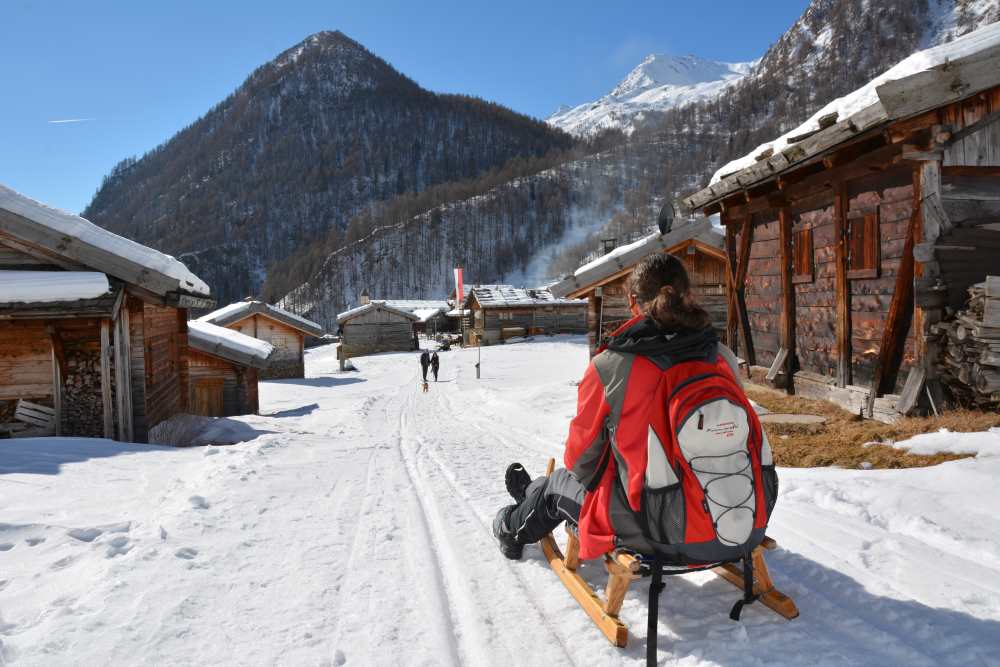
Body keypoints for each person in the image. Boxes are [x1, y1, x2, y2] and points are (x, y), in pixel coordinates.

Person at [492, 253, 745, 560]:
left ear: (631, 301)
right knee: (562, 482)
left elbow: (580, 462)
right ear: (688, 295)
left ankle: (510, 523)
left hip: (655, 530)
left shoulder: (612, 365)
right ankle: (532, 492)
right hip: (738, 517)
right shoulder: (721, 355)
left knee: (560, 482)